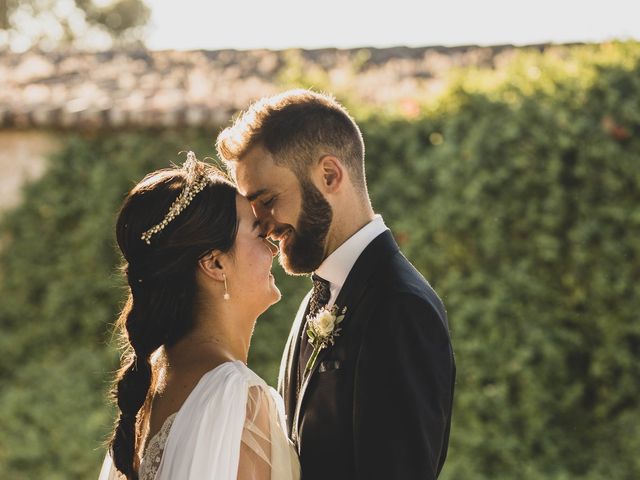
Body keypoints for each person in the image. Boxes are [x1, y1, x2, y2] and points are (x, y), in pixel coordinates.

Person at [216, 89, 456, 479]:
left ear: (329, 175)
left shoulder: (400, 308)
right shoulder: (316, 300)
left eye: (268, 199)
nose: (260, 223)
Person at [98, 154, 300, 480]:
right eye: (259, 234)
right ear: (215, 264)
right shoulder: (238, 398)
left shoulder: (155, 383)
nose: (273, 249)